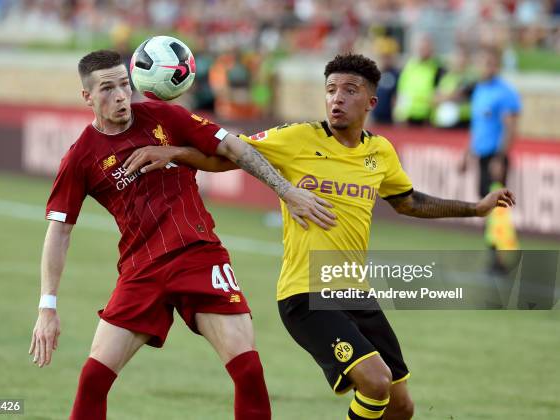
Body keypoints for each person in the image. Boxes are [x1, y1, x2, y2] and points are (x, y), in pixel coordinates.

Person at [124, 53, 516, 420]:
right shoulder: (296, 138)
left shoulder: (380, 152)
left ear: (372, 102)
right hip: (307, 293)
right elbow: (226, 156)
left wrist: (475, 209)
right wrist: (174, 152)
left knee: (401, 406)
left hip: (356, 294)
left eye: (349, 91)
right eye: (331, 90)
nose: (337, 99)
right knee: (375, 383)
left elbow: (409, 202)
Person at [27, 49, 337, 420]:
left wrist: (286, 191)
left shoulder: (165, 117)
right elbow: (59, 231)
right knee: (93, 379)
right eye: (107, 89)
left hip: (198, 256)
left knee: (248, 370)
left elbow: (233, 148)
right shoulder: (81, 156)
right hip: (140, 271)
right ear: (87, 97)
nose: (121, 95)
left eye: (125, 85)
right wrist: (47, 307)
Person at [461, 45, 521, 269]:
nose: (486, 67)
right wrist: (467, 153)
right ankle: (496, 255)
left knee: (496, 208)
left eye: (490, 63)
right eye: (483, 63)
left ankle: (500, 258)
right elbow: (478, 128)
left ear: (497, 65)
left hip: (496, 158)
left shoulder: (505, 92)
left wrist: (499, 157)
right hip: (482, 157)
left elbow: (510, 128)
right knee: (487, 207)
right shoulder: (480, 90)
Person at [394, 33, 445, 125]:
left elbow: (440, 92)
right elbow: (402, 90)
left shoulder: (438, 68)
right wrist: (399, 113)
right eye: (421, 47)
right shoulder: (410, 66)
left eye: (426, 48)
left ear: (432, 49)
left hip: (427, 117)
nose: (423, 50)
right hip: (408, 116)